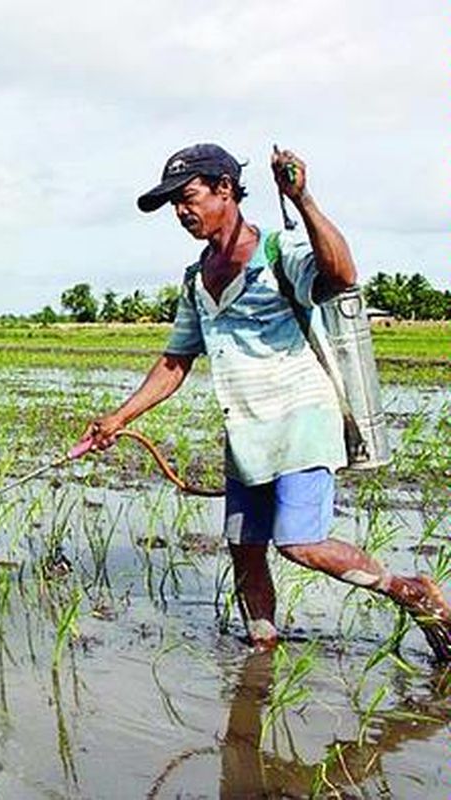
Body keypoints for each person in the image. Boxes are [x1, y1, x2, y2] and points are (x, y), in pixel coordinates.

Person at [75, 143, 451, 660]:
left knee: (300, 544)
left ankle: (408, 589)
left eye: (188, 198)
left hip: (301, 422)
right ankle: (262, 653)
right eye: (174, 206)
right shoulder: (196, 279)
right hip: (245, 433)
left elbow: (341, 276)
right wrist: (117, 419)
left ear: (224, 189)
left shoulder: (279, 252)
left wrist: (303, 199)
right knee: (245, 551)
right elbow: (175, 362)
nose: (182, 213)